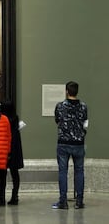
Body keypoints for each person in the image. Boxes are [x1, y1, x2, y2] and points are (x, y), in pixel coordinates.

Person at [52, 81, 88, 210]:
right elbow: (85, 122)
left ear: (67, 91)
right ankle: (79, 201)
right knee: (79, 171)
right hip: (79, 143)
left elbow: (57, 120)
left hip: (63, 143)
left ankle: (63, 201)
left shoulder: (60, 106)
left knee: (63, 172)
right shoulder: (83, 106)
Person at [2, 100, 24, 205]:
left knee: (2, 174)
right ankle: (14, 195)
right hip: (15, 148)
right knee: (15, 174)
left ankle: (1, 196)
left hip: (6, 147)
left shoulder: (4, 120)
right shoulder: (15, 119)